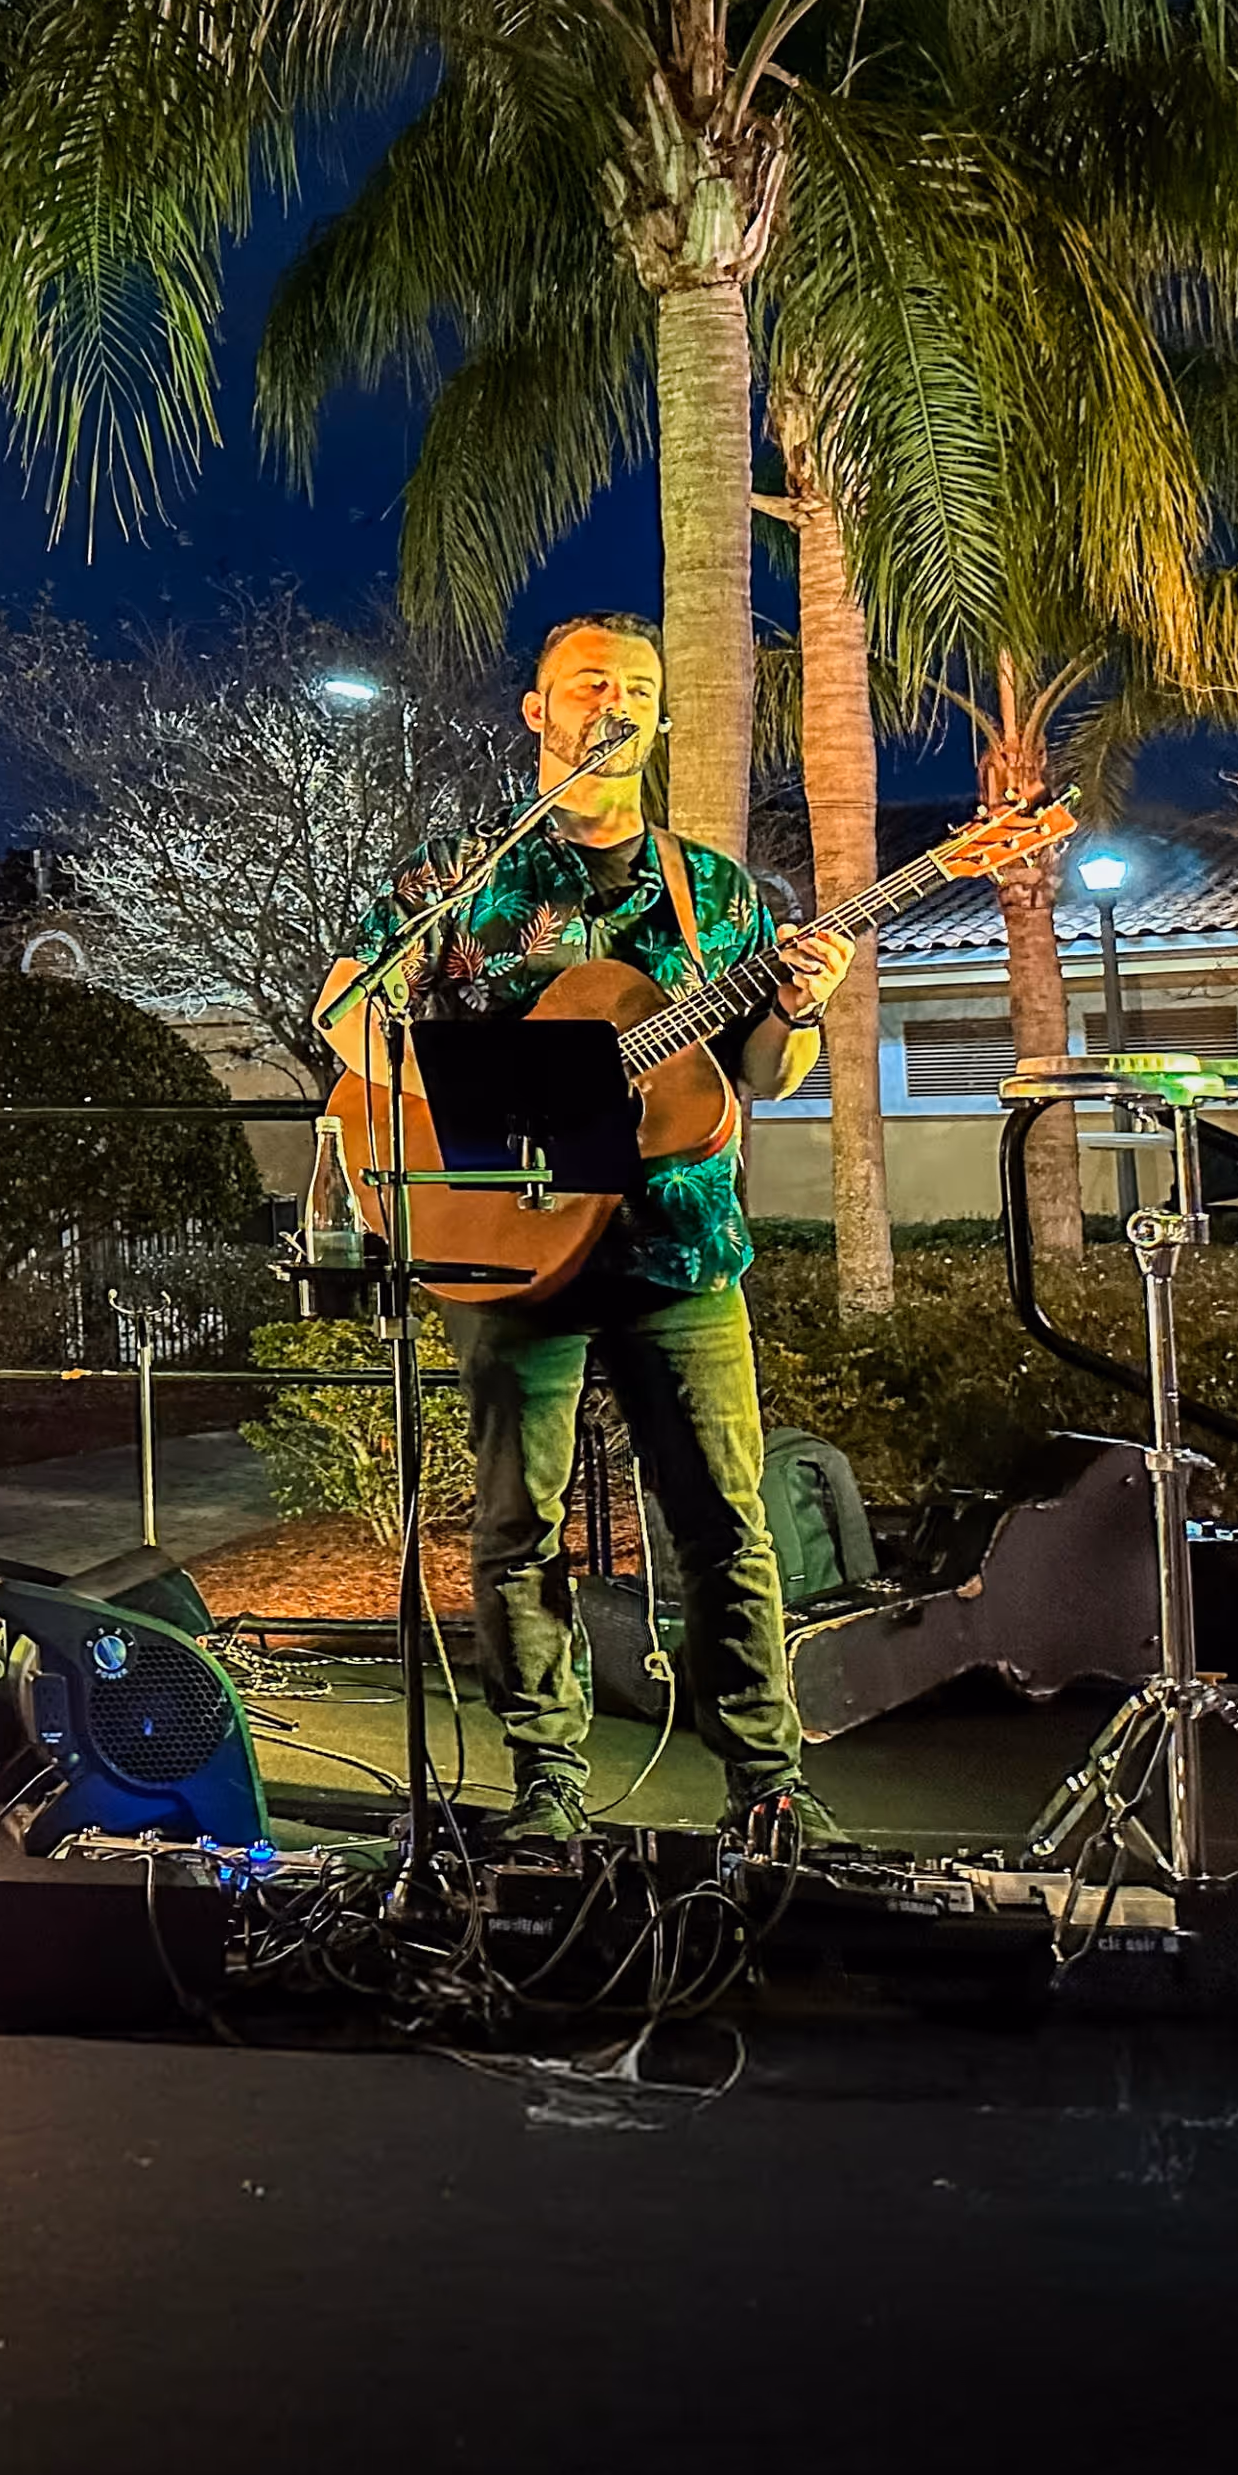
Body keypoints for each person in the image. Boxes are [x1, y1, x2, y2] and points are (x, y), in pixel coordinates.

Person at [315, 612, 855, 1856]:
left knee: (725, 1524)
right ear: (541, 715)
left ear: (661, 718)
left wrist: (802, 1007)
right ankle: (545, 1781)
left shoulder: (714, 889)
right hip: (506, 1244)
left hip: (680, 1251)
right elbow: (345, 1011)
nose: (616, 702)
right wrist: (465, 1115)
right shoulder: (458, 876)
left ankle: (766, 1781)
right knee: (517, 1529)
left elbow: (760, 1075)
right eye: (589, 685)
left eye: (639, 687)